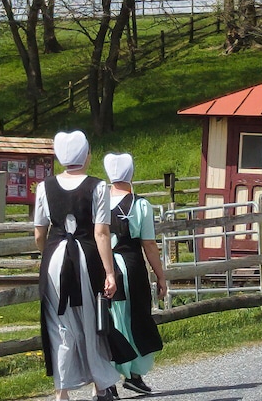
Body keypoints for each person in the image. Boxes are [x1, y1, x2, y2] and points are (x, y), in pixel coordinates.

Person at [35, 131, 123, 401]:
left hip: (55, 258)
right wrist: (110, 272)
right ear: (86, 155)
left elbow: (40, 233)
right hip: (85, 255)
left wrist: (49, 253)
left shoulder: (44, 187)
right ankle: (100, 385)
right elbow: (101, 233)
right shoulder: (98, 187)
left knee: (58, 324)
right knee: (91, 321)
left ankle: (62, 393)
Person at [102, 153, 166, 395]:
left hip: (103, 267)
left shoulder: (97, 202)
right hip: (131, 266)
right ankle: (134, 374)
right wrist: (160, 276)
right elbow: (149, 244)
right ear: (131, 173)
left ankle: (107, 380)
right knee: (135, 317)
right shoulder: (140, 205)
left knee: (109, 321)